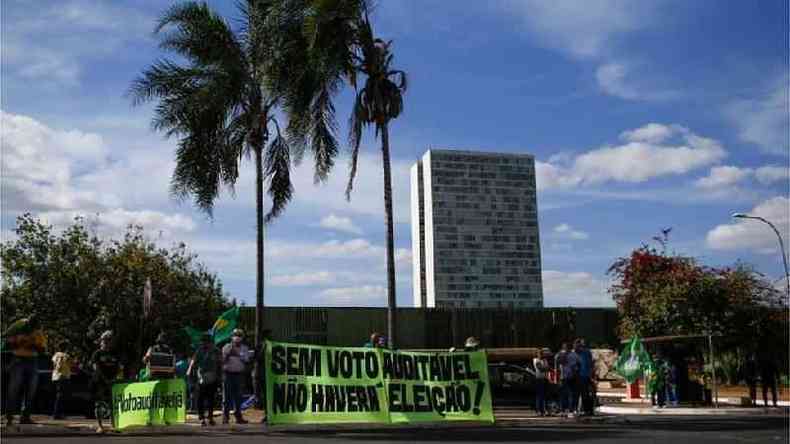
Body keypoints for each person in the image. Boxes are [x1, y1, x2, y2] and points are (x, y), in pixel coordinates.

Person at [3, 315, 47, 426]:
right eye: (30, 327)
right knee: (14, 388)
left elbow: (43, 349)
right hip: (18, 359)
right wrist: (17, 343)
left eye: (34, 328)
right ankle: (9, 417)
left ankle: (25, 416)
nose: (32, 330)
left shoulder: (38, 332)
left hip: (33, 360)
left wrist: (33, 346)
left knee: (31, 390)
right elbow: (6, 339)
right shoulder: (18, 326)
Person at [91, 330, 121, 433]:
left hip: (112, 381)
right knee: (99, 403)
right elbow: (96, 368)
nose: (107, 343)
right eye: (105, 340)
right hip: (100, 381)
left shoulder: (115, 353)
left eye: (109, 340)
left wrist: (114, 378)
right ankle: (100, 426)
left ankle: (113, 425)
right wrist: (105, 379)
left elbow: (118, 367)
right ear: (101, 341)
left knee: (112, 403)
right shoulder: (97, 354)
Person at [188, 333, 221, 426]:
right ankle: (201, 417)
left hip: (213, 377)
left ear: (211, 342)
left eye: (207, 342)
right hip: (201, 377)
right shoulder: (199, 351)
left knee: (211, 398)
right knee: (200, 398)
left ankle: (210, 417)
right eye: (203, 342)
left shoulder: (216, 351)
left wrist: (220, 377)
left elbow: (219, 364)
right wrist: (191, 373)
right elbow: (194, 363)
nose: (205, 344)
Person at [222, 328, 250, 424]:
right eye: (235, 335)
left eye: (239, 335)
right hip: (228, 374)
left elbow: (246, 360)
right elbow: (222, 361)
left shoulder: (245, 348)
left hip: (239, 375)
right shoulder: (226, 347)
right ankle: (225, 417)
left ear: (242, 337)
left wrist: (237, 354)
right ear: (232, 337)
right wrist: (228, 355)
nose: (237, 337)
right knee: (227, 397)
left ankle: (238, 417)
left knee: (238, 397)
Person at [555, 342, 579, 416]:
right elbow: (578, 365)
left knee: (563, 394)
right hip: (572, 376)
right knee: (571, 394)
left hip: (564, 376)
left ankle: (563, 410)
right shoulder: (574, 355)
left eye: (564, 347)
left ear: (564, 348)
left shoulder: (561, 354)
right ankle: (571, 410)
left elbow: (557, 361)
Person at [51, 341, 73, 420]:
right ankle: (57, 414)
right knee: (61, 396)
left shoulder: (56, 355)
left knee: (58, 395)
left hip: (55, 376)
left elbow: (54, 365)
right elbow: (70, 364)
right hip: (63, 376)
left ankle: (57, 413)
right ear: (65, 348)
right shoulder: (66, 355)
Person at [533, 348, 551, 416]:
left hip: (545, 379)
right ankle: (539, 411)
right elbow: (541, 369)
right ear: (537, 354)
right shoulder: (536, 360)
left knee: (545, 396)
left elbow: (548, 368)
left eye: (542, 354)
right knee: (539, 396)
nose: (541, 355)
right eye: (540, 354)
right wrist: (546, 368)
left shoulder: (544, 360)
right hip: (539, 379)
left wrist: (546, 368)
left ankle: (545, 410)